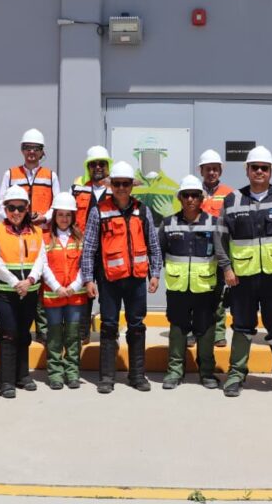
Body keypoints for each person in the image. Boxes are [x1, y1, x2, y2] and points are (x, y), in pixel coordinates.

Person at [215, 146, 272, 399]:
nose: (259, 171)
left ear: (271, 171)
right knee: (242, 327)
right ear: (247, 170)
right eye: (254, 167)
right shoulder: (232, 200)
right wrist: (226, 268)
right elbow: (220, 238)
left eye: (264, 168)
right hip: (242, 278)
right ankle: (236, 375)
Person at [81, 161, 163, 394]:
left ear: (131, 186)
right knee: (108, 326)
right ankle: (107, 377)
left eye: (125, 184)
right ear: (111, 185)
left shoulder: (143, 210)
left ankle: (137, 375)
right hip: (109, 280)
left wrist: (155, 273)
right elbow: (89, 248)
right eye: (116, 184)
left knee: (137, 326)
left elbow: (153, 245)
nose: (121, 188)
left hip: (136, 279)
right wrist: (88, 279)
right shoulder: (98, 211)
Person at [0, 128, 61, 345]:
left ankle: (42, 328)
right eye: (27, 148)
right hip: (16, 235)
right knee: (20, 275)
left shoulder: (51, 176)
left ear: (42, 151)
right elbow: (1, 204)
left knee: (41, 280)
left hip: (42, 234)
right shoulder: (10, 174)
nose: (31, 152)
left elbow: (56, 206)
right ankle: (18, 324)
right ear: (22, 150)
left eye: (35, 148)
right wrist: (16, 220)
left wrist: (44, 218)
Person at [158, 175, 220, 390]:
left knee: (206, 330)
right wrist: (154, 276)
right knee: (178, 329)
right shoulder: (168, 224)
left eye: (195, 195)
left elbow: (222, 255)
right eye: (186, 195)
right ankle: (175, 371)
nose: (191, 199)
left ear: (201, 198)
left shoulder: (214, 223)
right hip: (178, 287)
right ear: (180, 198)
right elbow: (158, 253)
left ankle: (207, 372)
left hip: (206, 287)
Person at [0, 186, 45, 398]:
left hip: (29, 292)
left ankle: (23, 376)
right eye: (11, 208)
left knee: (24, 334)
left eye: (21, 208)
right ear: (5, 209)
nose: (16, 212)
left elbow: (41, 260)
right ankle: (6, 381)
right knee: (9, 334)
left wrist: (30, 280)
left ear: (27, 208)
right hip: (4, 294)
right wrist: (15, 282)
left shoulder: (37, 232)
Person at [41, 192, 87, 390]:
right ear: (54, 216)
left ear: (73, 217)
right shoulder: (45, 238)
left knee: (73, 336)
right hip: (54, 296)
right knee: (54, 336)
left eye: (68, 215)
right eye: (60, 214)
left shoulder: (80, 238)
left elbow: (85, 265)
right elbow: (43, 266)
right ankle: (56, 374)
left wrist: (74, 287)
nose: (64, 219)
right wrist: (57, 287)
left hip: (74, 297)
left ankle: (72, 372)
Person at [72, 145, 113, 344]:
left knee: (108, 295)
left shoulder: (116, 189)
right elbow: (67, 215)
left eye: (101, 164)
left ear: (107, 166)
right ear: (88, 167)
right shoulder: (78, 188)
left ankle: (109, 333)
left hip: (108, 252)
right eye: (93, 164)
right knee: (83, 293)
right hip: (84, 250)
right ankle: (82, 334)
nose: (97, 167)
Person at [198, 149, 233, 349]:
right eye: (208, 169)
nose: (212, 172)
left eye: (215, 169)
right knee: (197, 292)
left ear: (220, 171)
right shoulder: (194, 191)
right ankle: (196, 331)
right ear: (201, 171)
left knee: (219, 293)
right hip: (198, 251)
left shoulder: (229, 193)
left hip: (220, 251)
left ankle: (219, 332)